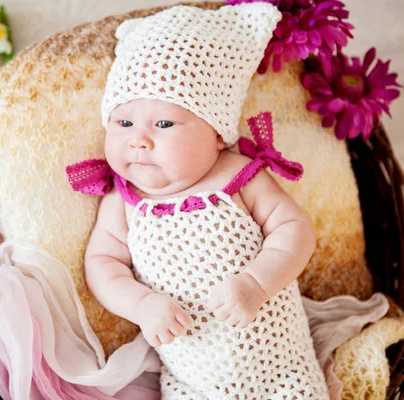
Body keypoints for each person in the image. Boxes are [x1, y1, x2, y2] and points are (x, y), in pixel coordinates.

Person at [67, 3, 331, 399]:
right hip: (193, 382)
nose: (139, 139)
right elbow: (102, 266)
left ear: (216, 133)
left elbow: (294, 230)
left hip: (281, 370)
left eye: (164, 124)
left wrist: (257, 282)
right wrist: (141, 306)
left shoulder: (239, 175)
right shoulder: (122, 203)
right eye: (123, 123)